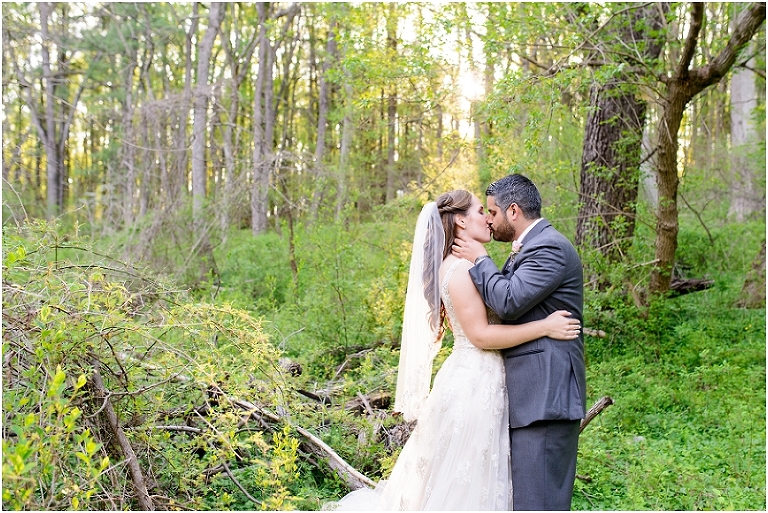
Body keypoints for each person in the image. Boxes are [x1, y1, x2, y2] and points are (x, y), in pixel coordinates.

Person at [325, 190, 581, 511]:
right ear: (460, 220)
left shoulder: (468, 265)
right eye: (479, 211)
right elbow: (481, 335)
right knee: (466, 482)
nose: (488, 219)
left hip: (484, 378)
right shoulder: (458, 271)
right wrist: (545, 327)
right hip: (475, 383)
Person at [452, 174, 587, 511]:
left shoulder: (549, 246)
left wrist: (481, 260)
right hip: (531, 396)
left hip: (546, 395)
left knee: (539, 504)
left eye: (493, 213)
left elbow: (509, 302)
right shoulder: (531, 246)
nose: (489, 221)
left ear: (513, 211)